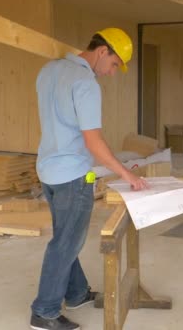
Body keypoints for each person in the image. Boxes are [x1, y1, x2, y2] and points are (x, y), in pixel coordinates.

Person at [30, 28, 148, 330]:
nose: (111, 73)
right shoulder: (85, 83)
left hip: (47, 169)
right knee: (66, 244)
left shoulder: (48, 70)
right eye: (113, 65)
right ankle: (44, 312)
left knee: (65, 236)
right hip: (72, 176)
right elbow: (93, 141)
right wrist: (127, 175)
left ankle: (77, 292)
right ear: (102, 51)